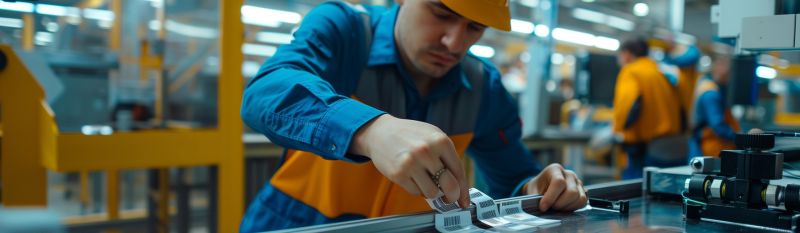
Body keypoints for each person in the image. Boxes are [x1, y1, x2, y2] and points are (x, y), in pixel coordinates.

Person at [238, 0, 587, 231]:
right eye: (441, 13)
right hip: (297, 224)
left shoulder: (483, 87)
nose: (454, 42)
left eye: (474, 27)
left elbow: (512, 175)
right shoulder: (344, 31)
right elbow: (265, 91)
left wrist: (538, 188)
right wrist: (370, 130)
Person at [612, 37, 687, 179]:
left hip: (643, 148)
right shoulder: (661, 71)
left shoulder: (631, 71)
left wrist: (619, 130)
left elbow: (626, 107)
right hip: (673, 144)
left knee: (634, 194)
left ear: (627, 54)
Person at [689, 55, 740, 158]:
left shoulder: (706, 84)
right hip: (708, 149)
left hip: (705, 146)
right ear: (720, 68)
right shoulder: (711, 94)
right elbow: (718, 125)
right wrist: (739, 139)